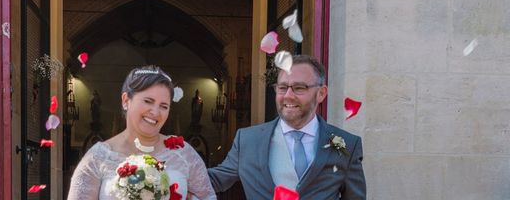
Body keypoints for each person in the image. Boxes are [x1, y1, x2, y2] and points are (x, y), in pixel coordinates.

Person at [209, 55, 366, 199]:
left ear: (321, 93)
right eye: (283, 87)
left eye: (299, 88)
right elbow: (215, 179)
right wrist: (184, 168)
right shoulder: (247, 140)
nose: (288, 95)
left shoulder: (348, 145)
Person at [67, 65, 217, 200]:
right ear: (126, 100)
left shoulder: (184, 154)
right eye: (148, 101)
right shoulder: (98, 157)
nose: (155, 112)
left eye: (164, 106)